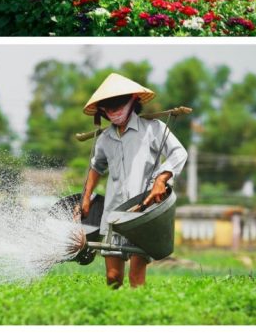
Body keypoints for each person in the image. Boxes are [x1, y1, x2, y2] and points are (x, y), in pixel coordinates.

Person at [80, 73, 188, 288]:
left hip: (143, 213)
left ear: (132, 101)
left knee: (136, 279)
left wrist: (162, 179)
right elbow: (96, 166)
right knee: (112, 278)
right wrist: (85, 198)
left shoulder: (153, 129)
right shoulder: (104, 139)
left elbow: (178, 153)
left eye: (117, 105)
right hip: (114, 213)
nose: (113, 112)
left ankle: (138, 317)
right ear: (102, 110)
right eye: (108, 107)